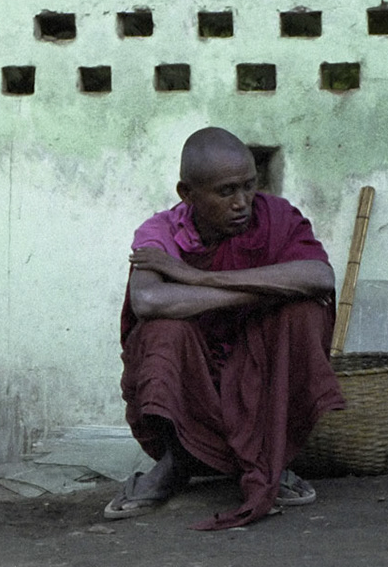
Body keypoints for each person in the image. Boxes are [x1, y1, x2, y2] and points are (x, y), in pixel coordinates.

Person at [107, 127, 344, 529]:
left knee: (302, 313)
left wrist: (193, 279)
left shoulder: (277, 217)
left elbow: (320, 277)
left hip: (259, 362)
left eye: (249, 186)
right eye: (225, 191)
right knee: (163, 330)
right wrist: (265, 288)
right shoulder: (161, 232)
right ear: (187, 193)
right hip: (198, 370)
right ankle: (176, 460)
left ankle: (265, 459)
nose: (242, 203)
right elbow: (148, 300)